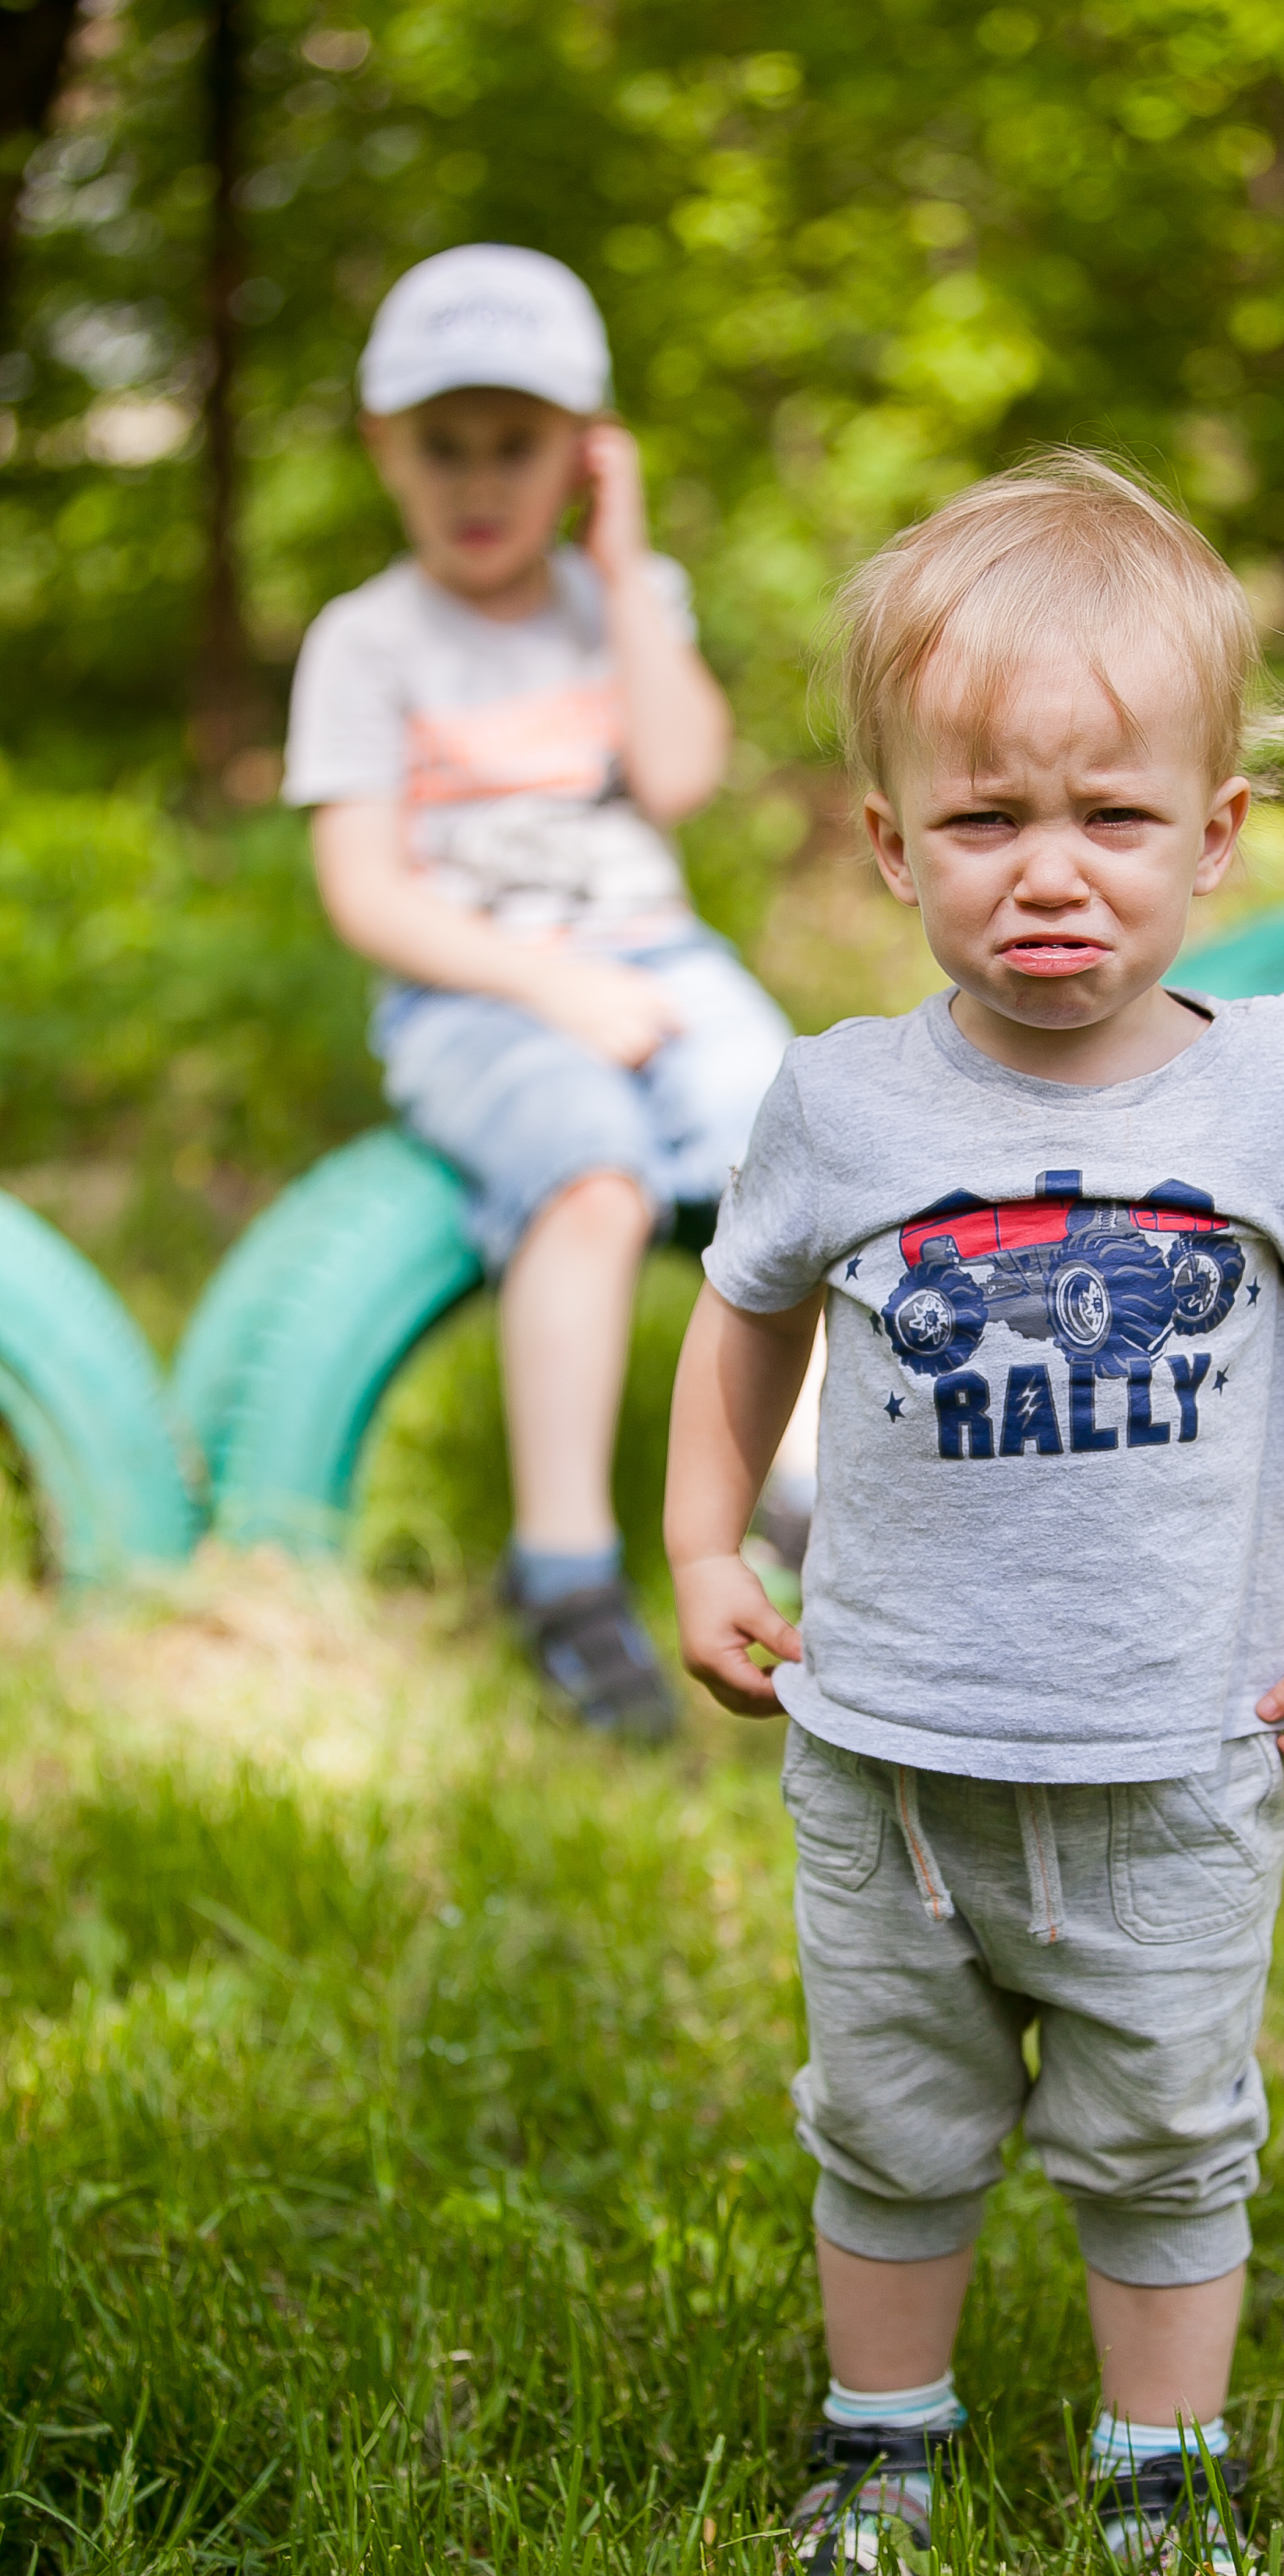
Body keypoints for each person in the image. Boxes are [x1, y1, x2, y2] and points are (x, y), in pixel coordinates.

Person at [663, 454, 1284, 2576]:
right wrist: (697, 1546)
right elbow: (739, 1321)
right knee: (894, 2121)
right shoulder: (843, 1100)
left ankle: (1163, 2467)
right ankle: (880, 2441)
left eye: (1113, 818)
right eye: (984, 820)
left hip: (1177, 1757)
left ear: (1214, 834)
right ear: (887, 841)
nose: (1052, 876)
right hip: (893, 1756)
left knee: (1164, 2128)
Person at [283, 243, 813, 1736]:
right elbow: (367, 893)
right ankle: (567, 1565)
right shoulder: (368, 642)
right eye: (441, 446)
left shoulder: (619, 603)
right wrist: (550, 989)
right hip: (475, 992)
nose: (477, 483)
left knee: (806, 1144)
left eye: (515, 447)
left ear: (579, 453)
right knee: (589, 1176)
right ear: (386, 450)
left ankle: (816, 1494)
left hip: (660, 963)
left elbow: (682, 774)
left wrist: (626, 559)